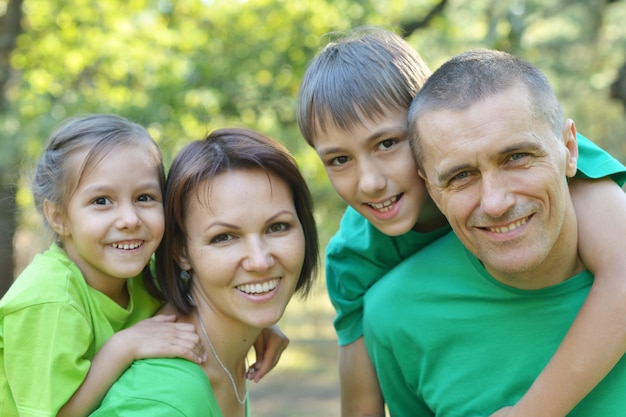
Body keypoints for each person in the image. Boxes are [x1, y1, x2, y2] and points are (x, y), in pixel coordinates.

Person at [296, 27, 626, 417]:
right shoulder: (354, 256)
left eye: (386, 144)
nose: (369, 182)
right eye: (338, 160)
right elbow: (361, 402)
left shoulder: (532, 142)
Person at [0, 116, 288, 417]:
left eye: (144, 197)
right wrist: (123, 347)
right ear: (59, 217)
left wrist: (257, 322)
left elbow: (212, 285)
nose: (130, 219)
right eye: (101, 201)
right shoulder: (49, 301)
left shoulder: (142, 272)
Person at [90, 127, 320, 416]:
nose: (260, 261)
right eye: (224, 237)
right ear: (181, 251)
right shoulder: (164, 399)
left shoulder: (228, 352)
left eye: (277, 227)